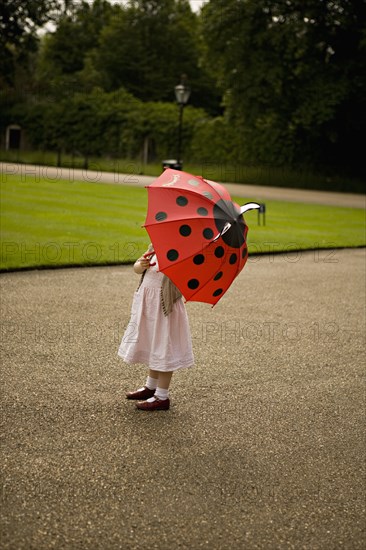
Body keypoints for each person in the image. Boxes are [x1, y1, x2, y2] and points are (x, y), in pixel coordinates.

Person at [118, 244, 194, 411]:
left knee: (163, 348)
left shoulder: (183, 253)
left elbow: (186, 281)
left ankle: (161, 395)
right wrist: (141, 264)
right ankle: (150, 387)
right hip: (149, 306)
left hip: (165, 308)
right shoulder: (157, 245)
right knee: (153, 345)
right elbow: (137, 267)